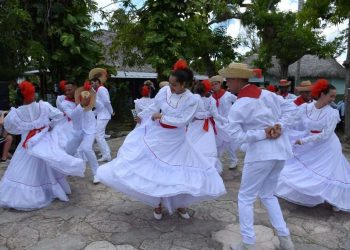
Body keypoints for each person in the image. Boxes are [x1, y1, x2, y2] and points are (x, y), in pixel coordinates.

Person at [96, 59, 226, 220]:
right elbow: (153, 107)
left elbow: (183, 121)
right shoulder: (164, 92)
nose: (170, 87)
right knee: (154, 172)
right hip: (157, 136)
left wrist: (162, 116)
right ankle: (156, 203)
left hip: (177, 141)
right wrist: (142, 117)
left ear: (184, 84)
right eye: (170, 83)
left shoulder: (193, 100)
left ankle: (180, 204)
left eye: (174, 85)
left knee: (178, 175)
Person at [219, 63, 295, 250]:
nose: (226, 83)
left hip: (262, 154)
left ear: (237, 79)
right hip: (280, 151)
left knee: (245, 197)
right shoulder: (269, 94)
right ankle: (285, 240)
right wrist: (279, 126)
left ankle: (247, 243)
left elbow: (235, 136)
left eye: (228, 79)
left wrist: (265, 132)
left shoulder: (239, 105)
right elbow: (291, 110)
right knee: (268, 195)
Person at [0, 81, 85, 211]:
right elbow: (59, 116)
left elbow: (10, 128)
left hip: (27, 144)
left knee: (26, 170)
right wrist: (49, 126)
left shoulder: (16, 113)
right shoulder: (44, 106)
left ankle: (26, 197)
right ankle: (51, 189)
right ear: (32, 94)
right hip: (44, 140)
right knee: (47, 166)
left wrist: (27, 129)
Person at [277, 79, 350, 212]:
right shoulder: (305, 107)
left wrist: (304, 140)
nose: (333, 99)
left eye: (334, 96)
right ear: (321, 94)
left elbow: (326, 134)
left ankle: (335, 199)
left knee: (330, 172)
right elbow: (291, 119)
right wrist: (280, 126)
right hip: (310, 142)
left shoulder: (332, 113)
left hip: (327, 145)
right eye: (331, 96)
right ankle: (306, 192)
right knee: (299, 166)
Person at [187, 80, 227, 173]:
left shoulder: (193, 98)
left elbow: (190, 113)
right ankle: (209, 168)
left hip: (194, 125)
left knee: (193, 145)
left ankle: (192, 167)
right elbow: (216, 115)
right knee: (207, 147)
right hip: (206, 126)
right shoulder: (211, 100)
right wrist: (226, 121)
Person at [65, 82, 100, 184]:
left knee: (86, 148)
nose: (67, 92)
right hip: (77, 131)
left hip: (90, 129)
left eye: (69, 90)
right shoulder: (64, 103)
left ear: (76, 88)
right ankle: (66, 170)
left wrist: (91, 94)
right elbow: (72, 115)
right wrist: (81, 105)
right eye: (66, 90)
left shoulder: (86, 95)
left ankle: (97, 173)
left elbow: (100, 106)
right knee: (68, 150)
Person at [210, 75, 239, 169]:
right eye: (212, 84)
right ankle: (217, 161)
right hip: (216, 123)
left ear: (220, 84)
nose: (214, 86)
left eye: (216, 84)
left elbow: (239, 101)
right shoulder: (211, 97)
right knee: (217, 142)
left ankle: (234, 160)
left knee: (230, 142)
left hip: (228, 122)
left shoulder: (227, 95)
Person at [89, 68, 114, 162]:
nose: (91, 85)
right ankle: (105, 152)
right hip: (101, 114)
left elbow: (107, 102)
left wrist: (112, 111)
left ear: (97, 82)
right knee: (99, 135)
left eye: (92, 83)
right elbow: (99, 104)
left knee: (98, 135)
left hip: (104, 115)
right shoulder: (98, 89)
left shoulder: (101, 89)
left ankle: (106, 155)